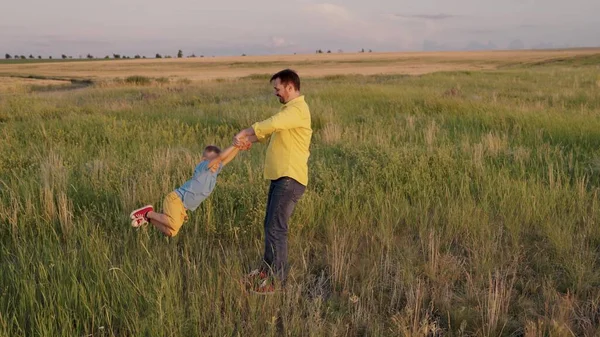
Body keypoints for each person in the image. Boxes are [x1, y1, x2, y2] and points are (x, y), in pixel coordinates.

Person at [234, 69, 312, 293]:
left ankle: (277, 281)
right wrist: (247, 139)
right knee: (270, 226)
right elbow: (268, 133)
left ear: (290, 87)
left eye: (277, 89)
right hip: (281, 177)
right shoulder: (290, 111)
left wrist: (246, 130)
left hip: (290, 178)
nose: (276, 93)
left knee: (276, 228)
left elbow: (274, 123)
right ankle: (266, 271)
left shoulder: (298, 109)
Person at [129, 143, 249, 237]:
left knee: (171, 232)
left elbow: (226, 159)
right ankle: (148, 212)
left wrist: (238, 147)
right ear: (203, 159)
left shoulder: (215, 171)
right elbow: (221, 157)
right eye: (213, 160)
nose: (215, 163)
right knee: (174, 223)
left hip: (182, 208)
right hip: (175, 200)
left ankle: (148, 218)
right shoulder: (203, 167)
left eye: (217, 162)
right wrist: (234, 143)